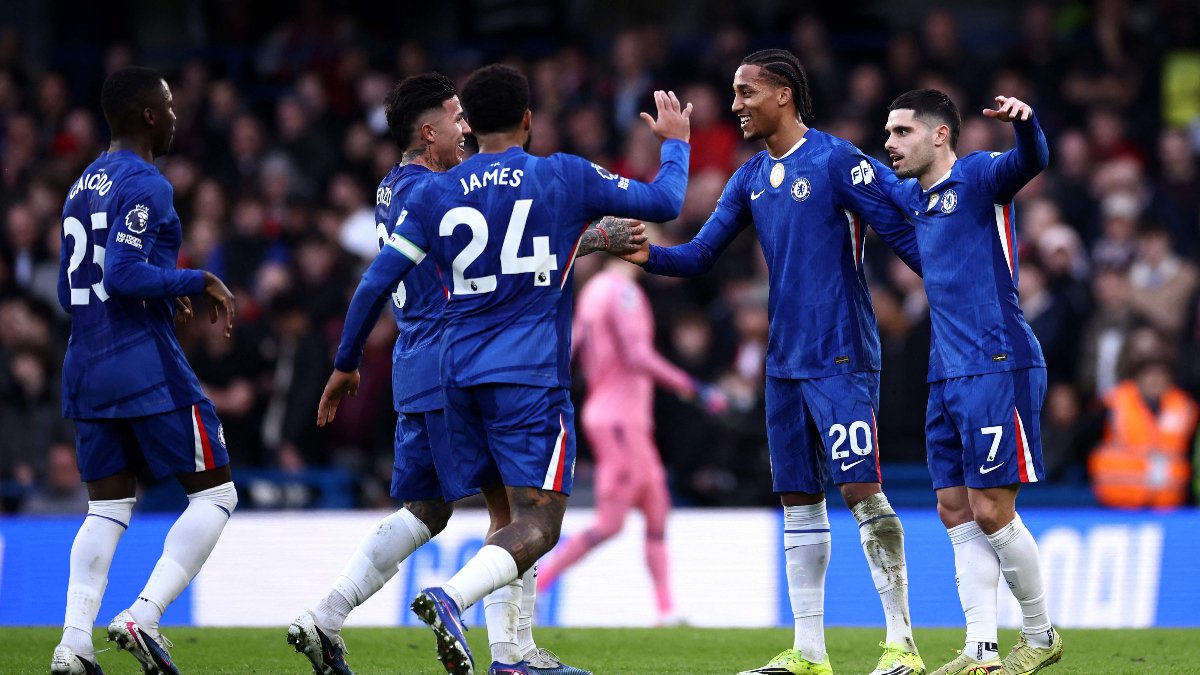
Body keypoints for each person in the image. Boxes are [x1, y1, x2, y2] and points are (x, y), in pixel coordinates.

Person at [316, 64, 691, 675]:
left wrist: (345, 362)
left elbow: (374, 282)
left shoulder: (438, 191)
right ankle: (453, 598)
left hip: (457, 377)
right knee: (538, 521)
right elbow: (666, 202)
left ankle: (515, 657)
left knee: (501, 516)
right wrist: (675, 143)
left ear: (472, 123)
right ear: (527, 120)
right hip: (530, 375)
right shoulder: (560, 174)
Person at [621, 49, 925, 675]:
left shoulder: (837, 160)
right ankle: (809, 652)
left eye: (745, 92)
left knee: (863, 492)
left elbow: (905, 232)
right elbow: (700, 254)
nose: (735, 105)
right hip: (784, 362)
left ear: (782, 94)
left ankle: (902, 644)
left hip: (841, 353)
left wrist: (961, 291)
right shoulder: (749, 177)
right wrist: (643, 253)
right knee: (798, 500)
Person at [51, 66, 238, 675]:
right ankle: (145, 614)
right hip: (143, 366)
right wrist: (195, 278)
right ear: (148, 116)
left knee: (106, 509)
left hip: (85, 363)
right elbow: (123, 275)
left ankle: (73, 644)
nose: (178, 113)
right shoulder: (147, 182)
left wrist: (161, 291)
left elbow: (69, 288)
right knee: (216, 492)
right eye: (169, 103)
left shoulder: (81, 186)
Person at [881, 89, 1063, 675]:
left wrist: (1028, 124)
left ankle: (1039, 634)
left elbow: (1030, 161)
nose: (890, 143)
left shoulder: (981, 176)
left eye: (901, 132)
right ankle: (981, 650)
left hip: (997, 361)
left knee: (992, 509)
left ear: (939, 135)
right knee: (953, 507)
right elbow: (872, 197)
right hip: (945, 371)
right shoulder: (916, 201)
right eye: (887, 132)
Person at [536, 250, 727, 625]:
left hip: (622, 418)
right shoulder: (621, 291)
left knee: (657, 508)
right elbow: (638, 355)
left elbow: (572, 351)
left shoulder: (592, 291)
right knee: (611, 522)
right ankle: (540, 585)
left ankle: (666, 610)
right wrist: (694, 387)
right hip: (619, 419)